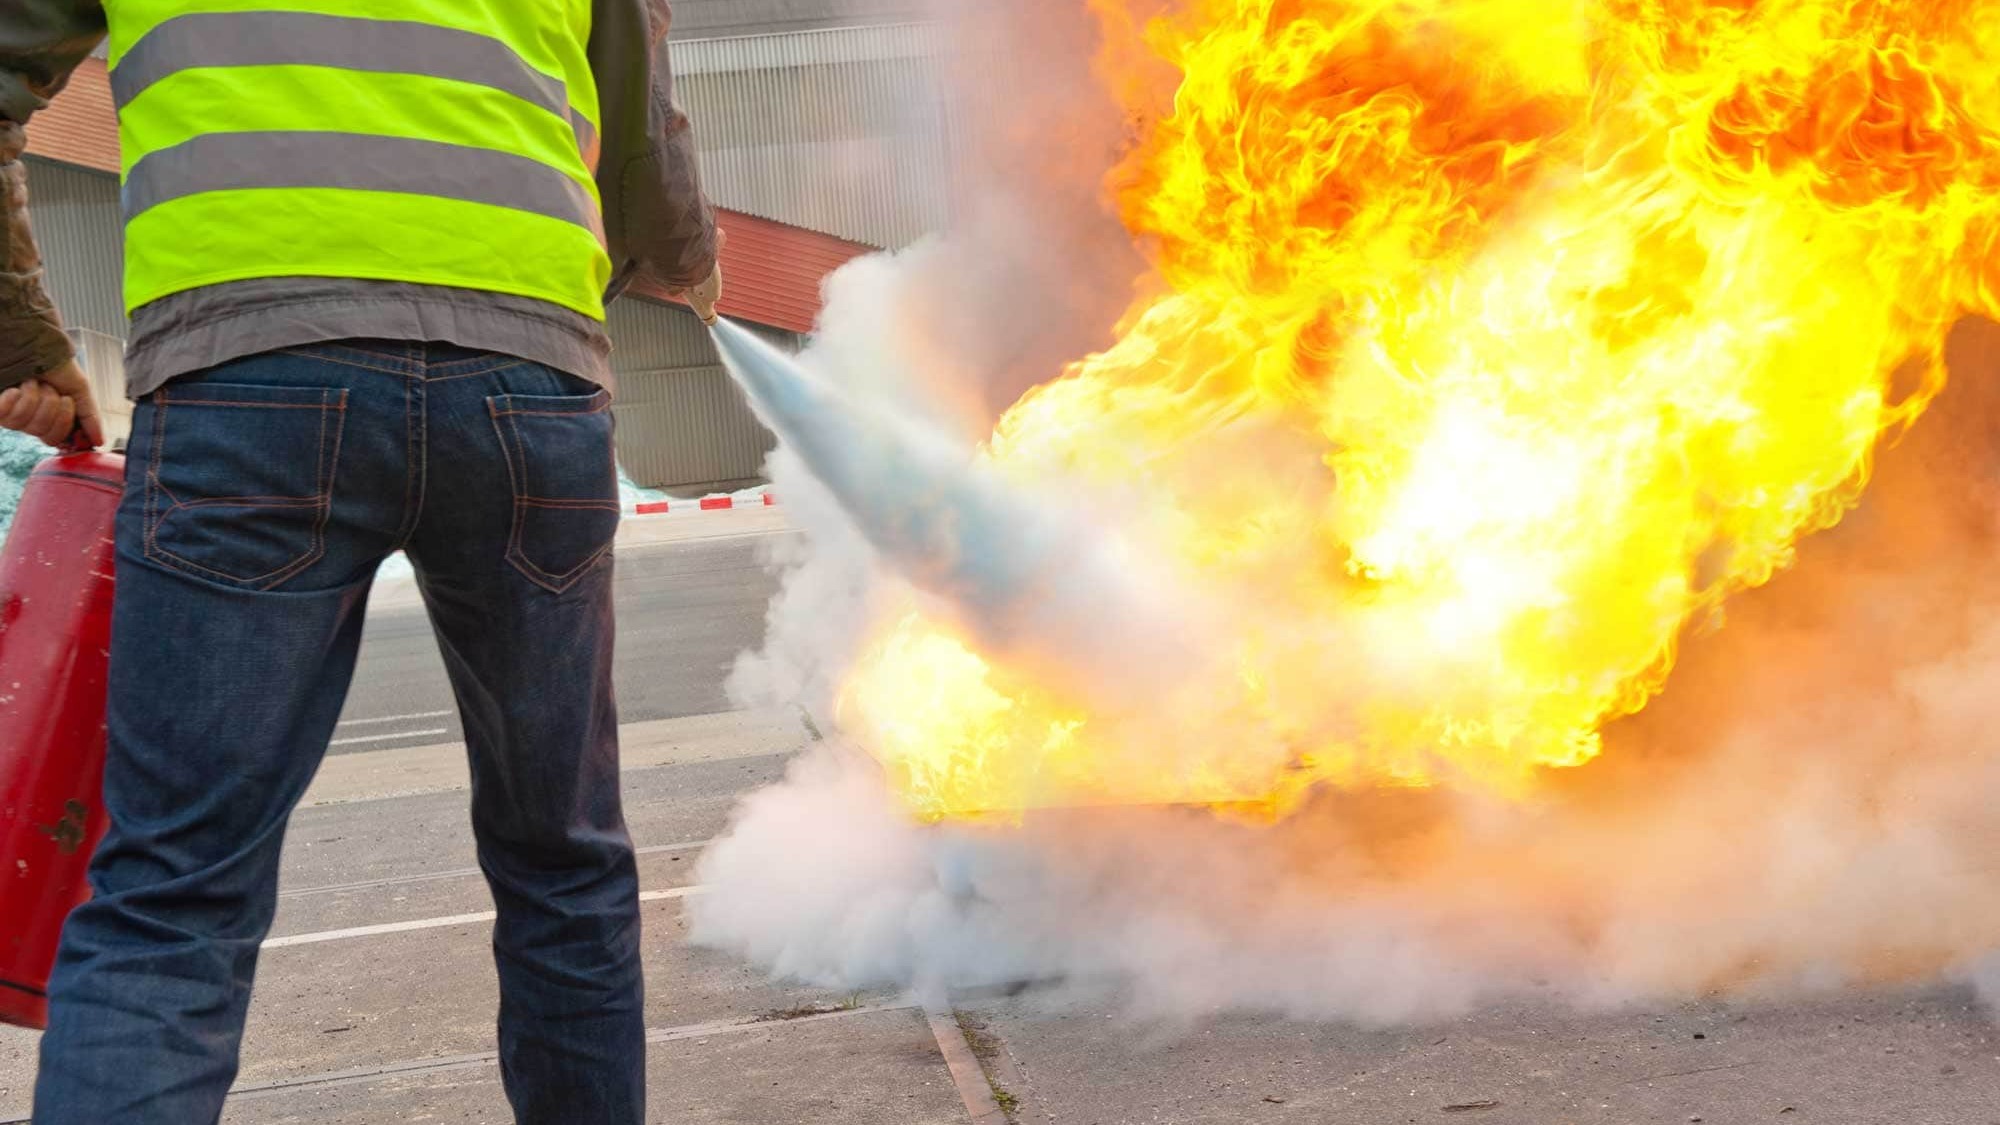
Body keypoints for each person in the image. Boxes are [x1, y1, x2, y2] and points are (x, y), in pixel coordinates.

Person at [0, 3, 722, 1122]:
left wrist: (24, 340)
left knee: (173, 897)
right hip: (525, 380)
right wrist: (679, 261)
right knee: (564, 864)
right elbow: (643, 139)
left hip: (246, 371)